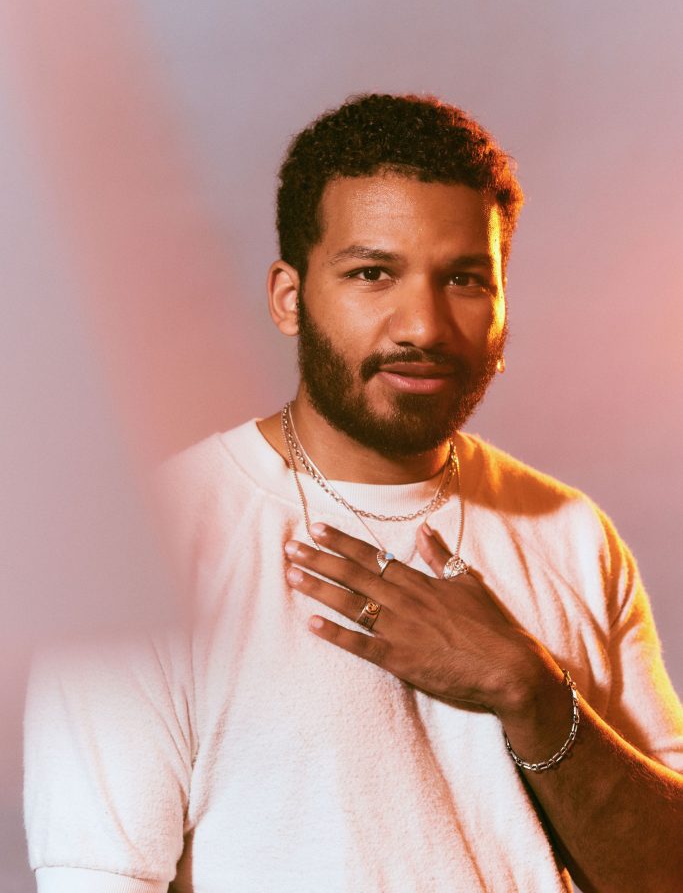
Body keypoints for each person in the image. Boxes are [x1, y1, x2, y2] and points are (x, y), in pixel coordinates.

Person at [24, 94, 683, 892]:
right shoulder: (139, 551)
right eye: (373, 273)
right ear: (289, 297)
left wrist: (531, 692)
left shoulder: (572, 532)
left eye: (465, 279)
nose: (424, 325)